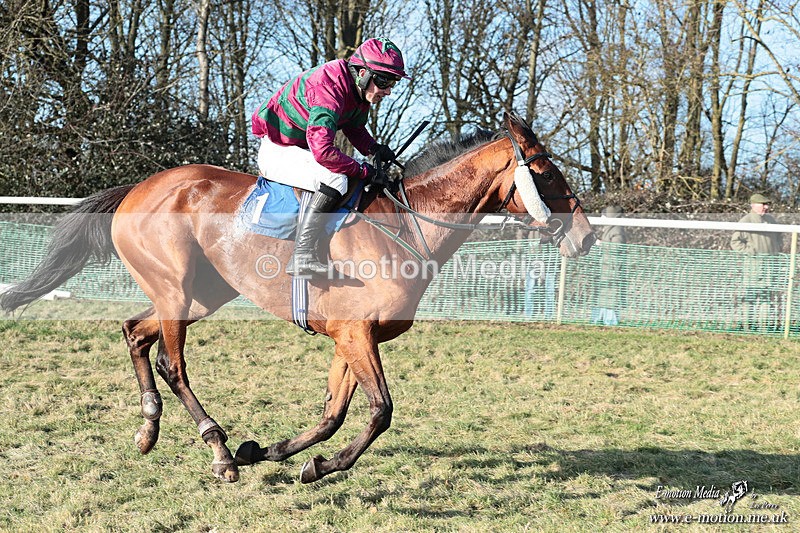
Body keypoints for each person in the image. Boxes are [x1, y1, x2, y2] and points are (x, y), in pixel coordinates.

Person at [252, 38, 409, 276]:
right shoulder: (329, 87)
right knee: (336, 179)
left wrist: (374, 149)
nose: (388, 91)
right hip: (276, 148)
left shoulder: (355, 89)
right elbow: (323, 151)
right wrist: (364, 170)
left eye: (393, 83)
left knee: (346, 176)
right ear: (364, 74)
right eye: (384, 81)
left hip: (299, 148)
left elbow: (355, 128)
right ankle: (302, 255)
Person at [730, 193, 783, 331]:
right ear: (753, 205)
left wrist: (777, 251)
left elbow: (779, 239)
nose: (766, 207)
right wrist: (751, 251)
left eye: (767, 204)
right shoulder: (746, 221)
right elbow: (735, 242)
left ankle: (764, 328)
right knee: (750, 297)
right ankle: (747, 327)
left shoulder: (771, 220)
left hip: (771, 266)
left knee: (767, 297)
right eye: (763, 204)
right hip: (753, 267)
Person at [592, 205, 627, 326]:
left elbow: (617, 248)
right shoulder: (609, 229)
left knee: (611, 295)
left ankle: (610, 320)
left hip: (612, 269)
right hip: (606, 267)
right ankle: (600, 318)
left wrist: (601, 244)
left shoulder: (616, 230)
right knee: (603, 294)